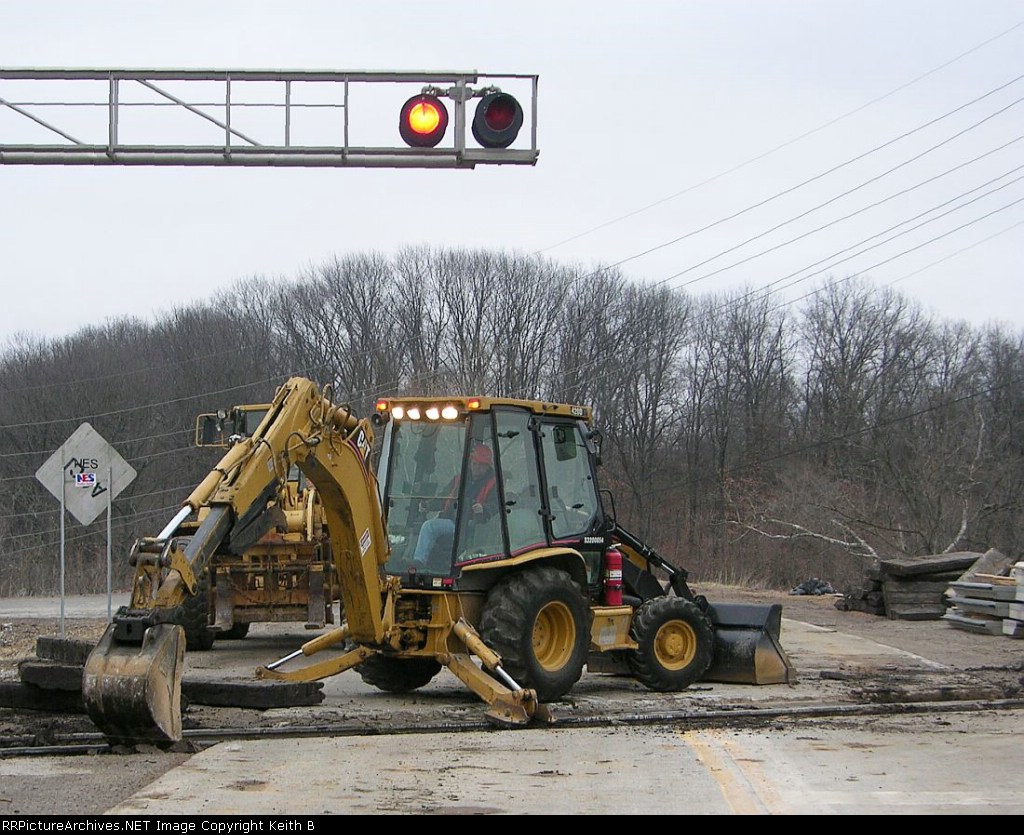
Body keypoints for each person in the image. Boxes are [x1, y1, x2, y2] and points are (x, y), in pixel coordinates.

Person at [412, 443, 497, 564]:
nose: (477, 467)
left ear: (488, 466)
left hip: (475, 526)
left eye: (481, 465)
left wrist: (484, 508)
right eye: (474, 463)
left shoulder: (494, 483)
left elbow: (497, 505)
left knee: (430, 527)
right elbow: (444, 498)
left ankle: (422, 561)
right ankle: (418, 562)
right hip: (453, 522)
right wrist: (428, 505)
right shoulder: (459, 479)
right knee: (429, 526)